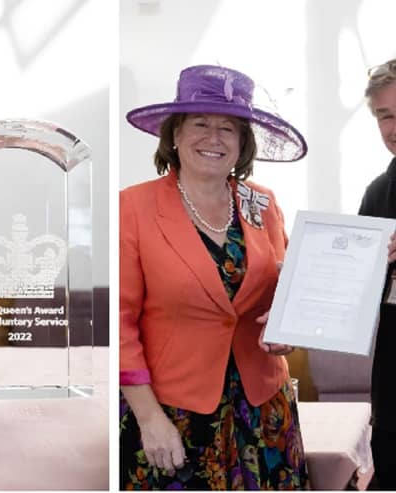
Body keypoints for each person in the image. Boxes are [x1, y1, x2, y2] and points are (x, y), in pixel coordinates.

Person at [120, 65, 309, 490]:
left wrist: (287, 325)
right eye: (200, 124)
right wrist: (149, 418)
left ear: (243, 143)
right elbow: (120, 323)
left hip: (265, 413)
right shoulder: (132, 207)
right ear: (174, 134)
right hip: (173, 415)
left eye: (228, 128)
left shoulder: (263, 202)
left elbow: (288, 289)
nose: (213, 138)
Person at [358, 58, 396, 491]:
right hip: (392, 396)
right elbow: (360, 292)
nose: (392, 127)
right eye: (384, 116)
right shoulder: (378, 192)